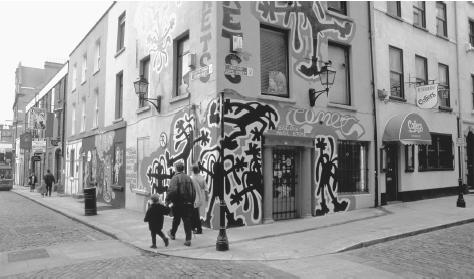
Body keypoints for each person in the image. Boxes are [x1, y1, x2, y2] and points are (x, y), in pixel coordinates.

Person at [166, 161, 196, 246]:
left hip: (178, 203)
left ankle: (172, 234)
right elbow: (193, 191)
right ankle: (188, 239)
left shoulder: (175, 178)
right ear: (183, 168)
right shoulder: (188, 178)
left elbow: (172, 191)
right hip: (188, 203)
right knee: (187, 221)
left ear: (176, 169)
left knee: (176, 220)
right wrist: (192, 201)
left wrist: (167, 201)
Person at [190, 163, 208, 234]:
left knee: (194, 215)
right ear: (198, 170)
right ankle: (195, 228)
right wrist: (206, 197)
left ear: (193, 171)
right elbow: (206, 189)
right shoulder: (201, 178)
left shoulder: (191, 178)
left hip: (193, 198)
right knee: (196, 214)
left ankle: (197, 229)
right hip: (200, 198)